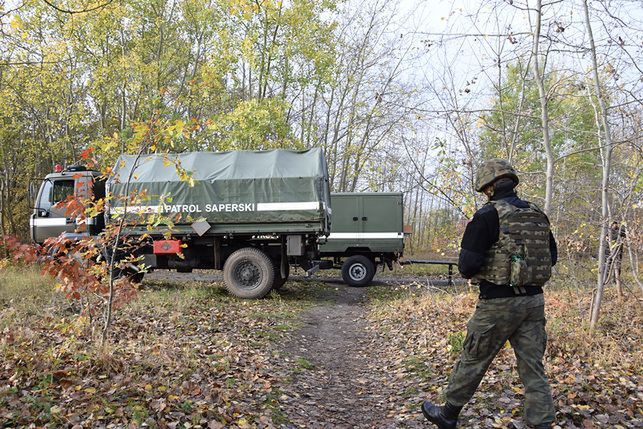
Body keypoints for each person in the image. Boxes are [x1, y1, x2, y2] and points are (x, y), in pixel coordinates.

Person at [422, 159, 557, 429]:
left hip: (498, 303)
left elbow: (467, 266)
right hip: (533, 302)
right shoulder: (536, 212)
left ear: (488, 188)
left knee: (474, 357)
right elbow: (551, 257)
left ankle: (448, 415)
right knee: (533, 366)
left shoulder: (487, 215)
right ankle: (541, 423)